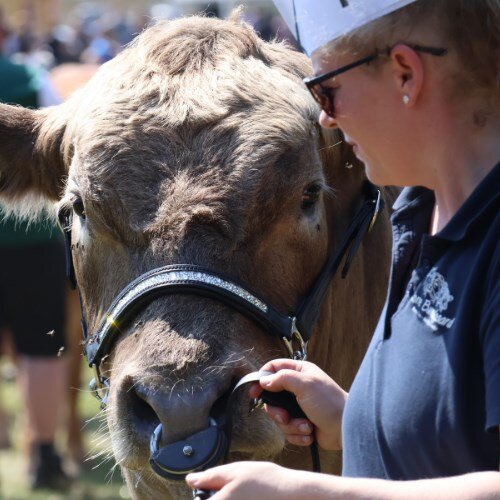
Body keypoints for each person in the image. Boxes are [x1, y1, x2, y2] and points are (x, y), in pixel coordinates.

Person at [186, 0, 500, 497]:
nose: (326, 120)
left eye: (326, 92)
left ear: (404, 74)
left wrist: (316, 495)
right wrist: (353, 419)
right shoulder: (422, 211)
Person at [0, 12, 70, 491]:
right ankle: (43, 457)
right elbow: (67, 150)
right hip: (31, 243)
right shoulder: (27, 78)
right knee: (42, 350)